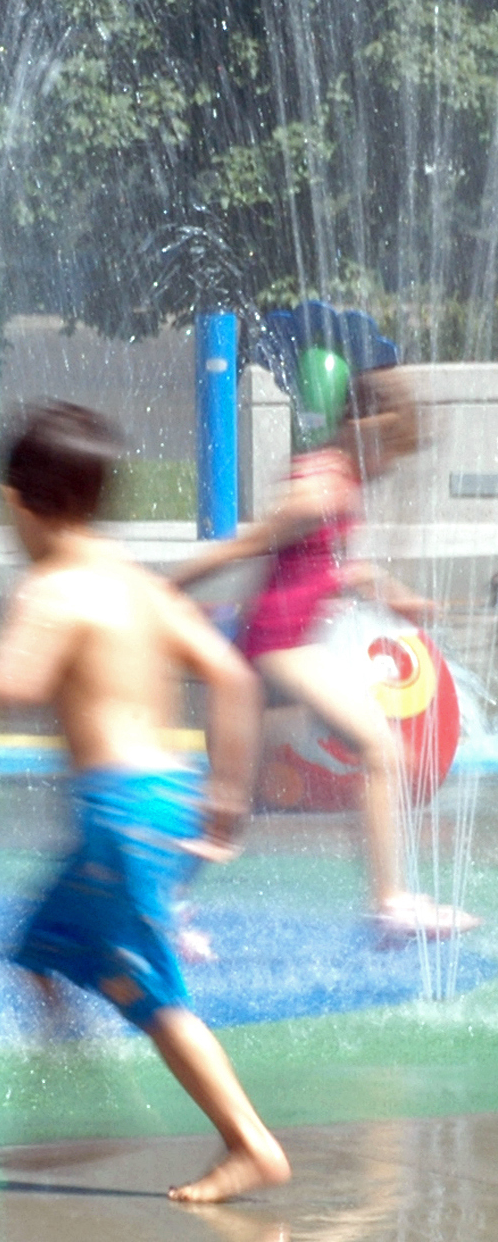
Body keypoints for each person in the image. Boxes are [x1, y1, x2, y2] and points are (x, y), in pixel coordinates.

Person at [0, 404, 288, 1204]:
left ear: (15, 501)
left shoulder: (52, 589)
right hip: (166, 797)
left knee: (152, 992)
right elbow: (234, 677)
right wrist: (225, 798)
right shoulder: (135, 584)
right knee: (37, 952)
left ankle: (249, 1141)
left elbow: (10, 684)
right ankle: (73, 1109)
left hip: (119, 814)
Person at [172, 367, 475, 942]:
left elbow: (331, 567)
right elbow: (246, 546)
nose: (390, 468)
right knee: (380, 748)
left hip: (273, 655)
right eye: (392, 451)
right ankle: (390, 906)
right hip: (275, 649)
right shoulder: (319, 489)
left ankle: (159, 903)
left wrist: (394, 595)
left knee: (231, 811)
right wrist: (162, 589)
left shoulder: (339, 480)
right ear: (368, 429)